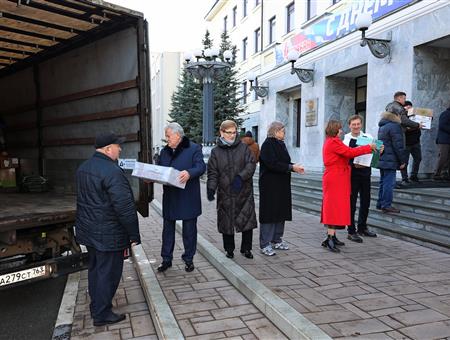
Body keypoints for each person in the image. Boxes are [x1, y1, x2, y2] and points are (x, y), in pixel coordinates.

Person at [75, 133, 140, 327]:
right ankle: (102, 314)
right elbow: (125, 207)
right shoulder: (112, 171)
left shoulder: (83, 168)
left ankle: (97, 307)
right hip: (109, 234)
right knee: (108, 274)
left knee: (96, 270)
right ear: (107, 149)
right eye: (117, 146)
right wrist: (133, 234)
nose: (120, 149)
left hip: (90, 232)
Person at [157, 122, 206, 273]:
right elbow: (159, 169)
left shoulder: (193, 148)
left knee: (189, 231)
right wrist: (151, 176)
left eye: (168, 136)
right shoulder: (164, 151)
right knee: (167, 230)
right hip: (170, 196)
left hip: (188, 196)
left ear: (178, 135)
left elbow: (201, 167)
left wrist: (189, 173)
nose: (166, 139)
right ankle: (166, 259)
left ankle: (189, 260)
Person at [321, 120, 375, 252]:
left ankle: (332, 237)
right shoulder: (333, 142)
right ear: (334, 129)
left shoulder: (332, 141)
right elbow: (349, 153)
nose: (341, 131)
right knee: (333, 208)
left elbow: (348, 152)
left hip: (338, 177)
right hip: (335, 178)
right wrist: (369, 147)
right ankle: (329, 239)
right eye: (339, 129)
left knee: (336, 207)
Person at [207, 120, 257, 259]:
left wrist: (241, 177)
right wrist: (211, 188)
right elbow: (212, 172)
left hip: (243, 192)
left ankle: (246, 249)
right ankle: (229, 249)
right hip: (225, 193)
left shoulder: (244, 148)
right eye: (229, 133)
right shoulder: (216, 152)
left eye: (234, 132)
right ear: (221, 132)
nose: (232, 135)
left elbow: (251, 164)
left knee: (246, 221)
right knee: (226, 222)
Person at [259, 121, 305, 256]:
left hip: (282, 185)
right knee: (269, 214)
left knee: (280, 212)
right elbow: (272, 164)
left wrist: (295, 167)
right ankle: (265, 244)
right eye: (282, 131)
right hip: (270, 186)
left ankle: (276, 239)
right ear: (275, 131)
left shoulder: (281, 144)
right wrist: (291, 167)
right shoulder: (267, 144)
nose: (284, 133)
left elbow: (283, 163)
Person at [343, 115, 378, 243]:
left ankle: (362, 227)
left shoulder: (368, 138)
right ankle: (351, 230)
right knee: (351, 203)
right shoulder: (346, 140)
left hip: (365, 173)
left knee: (366, 201)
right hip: (352, 174)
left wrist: (380, 151)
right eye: (354, 124)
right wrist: (353, 163)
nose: (356, 126)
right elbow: (344, 158)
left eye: (358, 124)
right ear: (350, 125)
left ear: (361, 124)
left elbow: (374, 157)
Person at [377, 112, 408, 213]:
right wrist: (402, 161)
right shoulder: (395, 126)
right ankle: (386, 205)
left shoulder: (382, 126)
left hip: (383, 158)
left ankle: (380, 203)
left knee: (383, 182)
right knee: (389, 183)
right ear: (396, 116)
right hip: (391, 160)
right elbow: (398, 146)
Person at [401, 100, 422, 183]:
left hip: (416, 142)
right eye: (406, 106)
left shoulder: (416, 116)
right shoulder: (403, 117)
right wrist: (415, 127)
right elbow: (405, 129)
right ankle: (404, 178)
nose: (408, 108)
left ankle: (413, 176)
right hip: (406, 143)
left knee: (418, 159)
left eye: (410, 106)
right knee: (405, 162)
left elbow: (426, 120)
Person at [434, 105, 450, 180]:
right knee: (443, 157)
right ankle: (437, 174)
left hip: (447, 139)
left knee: (448, 158)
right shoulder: (446, 114)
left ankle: (444, 173)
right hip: (444, 140)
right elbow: (442, 126)